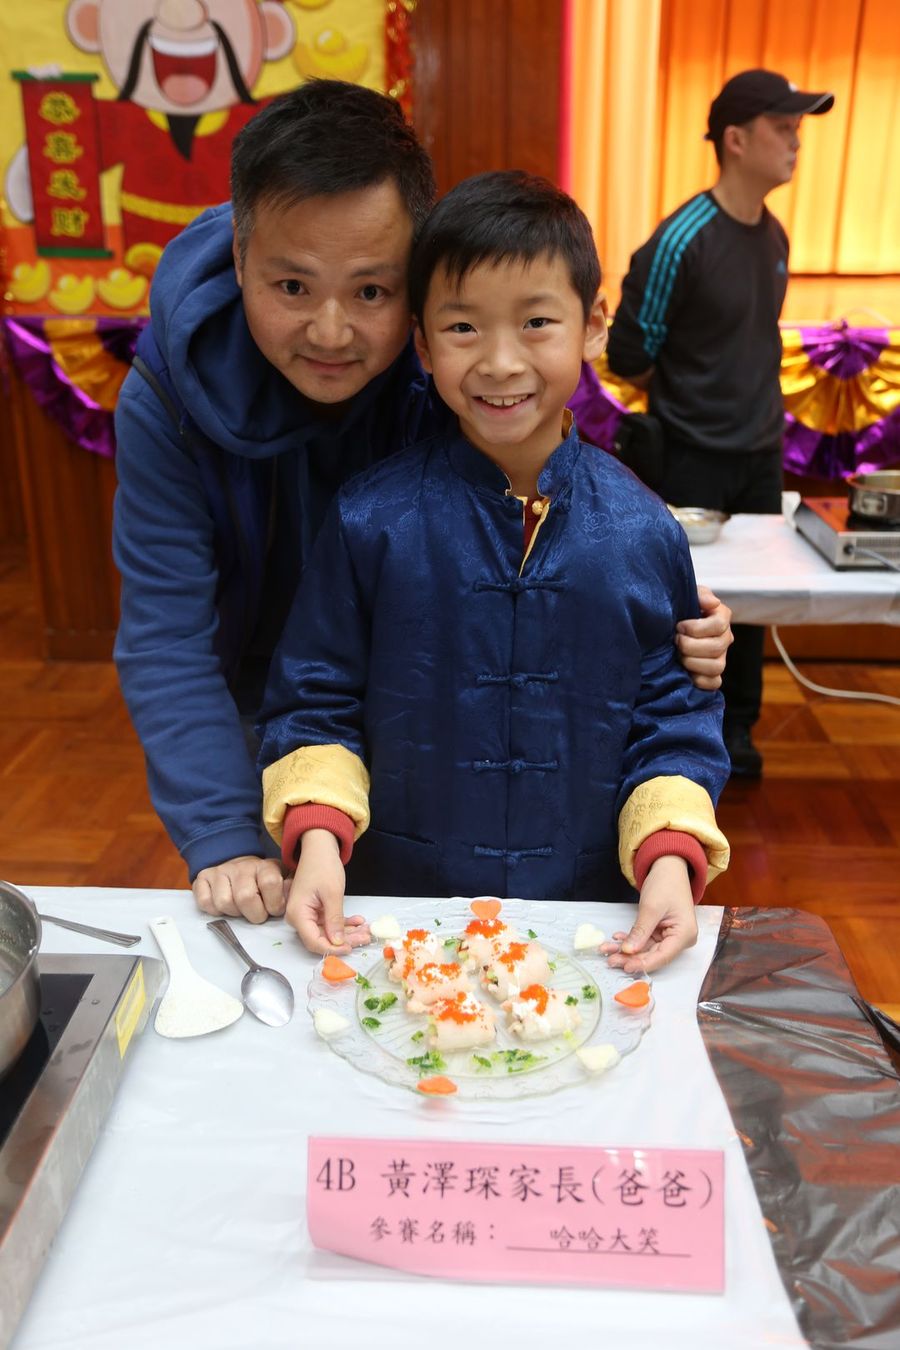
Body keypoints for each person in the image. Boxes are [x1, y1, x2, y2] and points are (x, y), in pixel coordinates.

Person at [112, 80, 733, 934]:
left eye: (372, 291)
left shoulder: (458, 361)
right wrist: (224, 832)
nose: (332, 331)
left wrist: (661, 610)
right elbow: (167, 635)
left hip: (437, 724)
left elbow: (546, 493)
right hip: (285, 722)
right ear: (240, 255)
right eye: (292, 286)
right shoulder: (167, 401)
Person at [257, 170, 731, 976]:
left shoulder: (643, 528)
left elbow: (673, 721)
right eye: (464, 327)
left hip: (585, 926)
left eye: (537, 322)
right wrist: (320, 846)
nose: (501, 362)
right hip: (393, 915)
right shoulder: (370, 518)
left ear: (592, 326)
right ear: (423, 344)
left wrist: (669, 865)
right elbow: (315, 698)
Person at [607, 69, 833, 779]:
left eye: (798, 128)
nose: (796, 141)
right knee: (688, 601)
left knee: (752, 602)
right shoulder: (683, 239)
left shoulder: (775, 237)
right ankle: (675, 734)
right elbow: (628, 351)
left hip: (760, 449)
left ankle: (739, 732)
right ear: (736, 140)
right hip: (689, 454)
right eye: (783, 127)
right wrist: (691, 401)